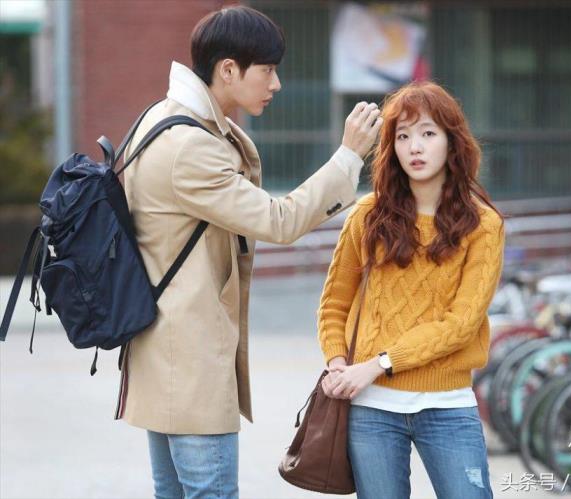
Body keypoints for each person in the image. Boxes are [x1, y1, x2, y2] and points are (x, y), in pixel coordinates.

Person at [115, 6, 382, 498]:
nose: (275, 84)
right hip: (189, 361)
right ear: (228, 69)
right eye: (268, 70)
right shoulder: (189, 145)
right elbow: (279, 221)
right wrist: (348, 157)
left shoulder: (161, 118)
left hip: (161, 349)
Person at [317, 81, 504, 499]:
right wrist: (337, 365)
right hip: (371, 409)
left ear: (452, 142)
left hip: (447, 405)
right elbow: (334, 305)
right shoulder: (367, 215)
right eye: (402, 136)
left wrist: (379, 363)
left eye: (427, 133)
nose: (414, 147)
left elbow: (460, 324)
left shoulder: (483, 226)